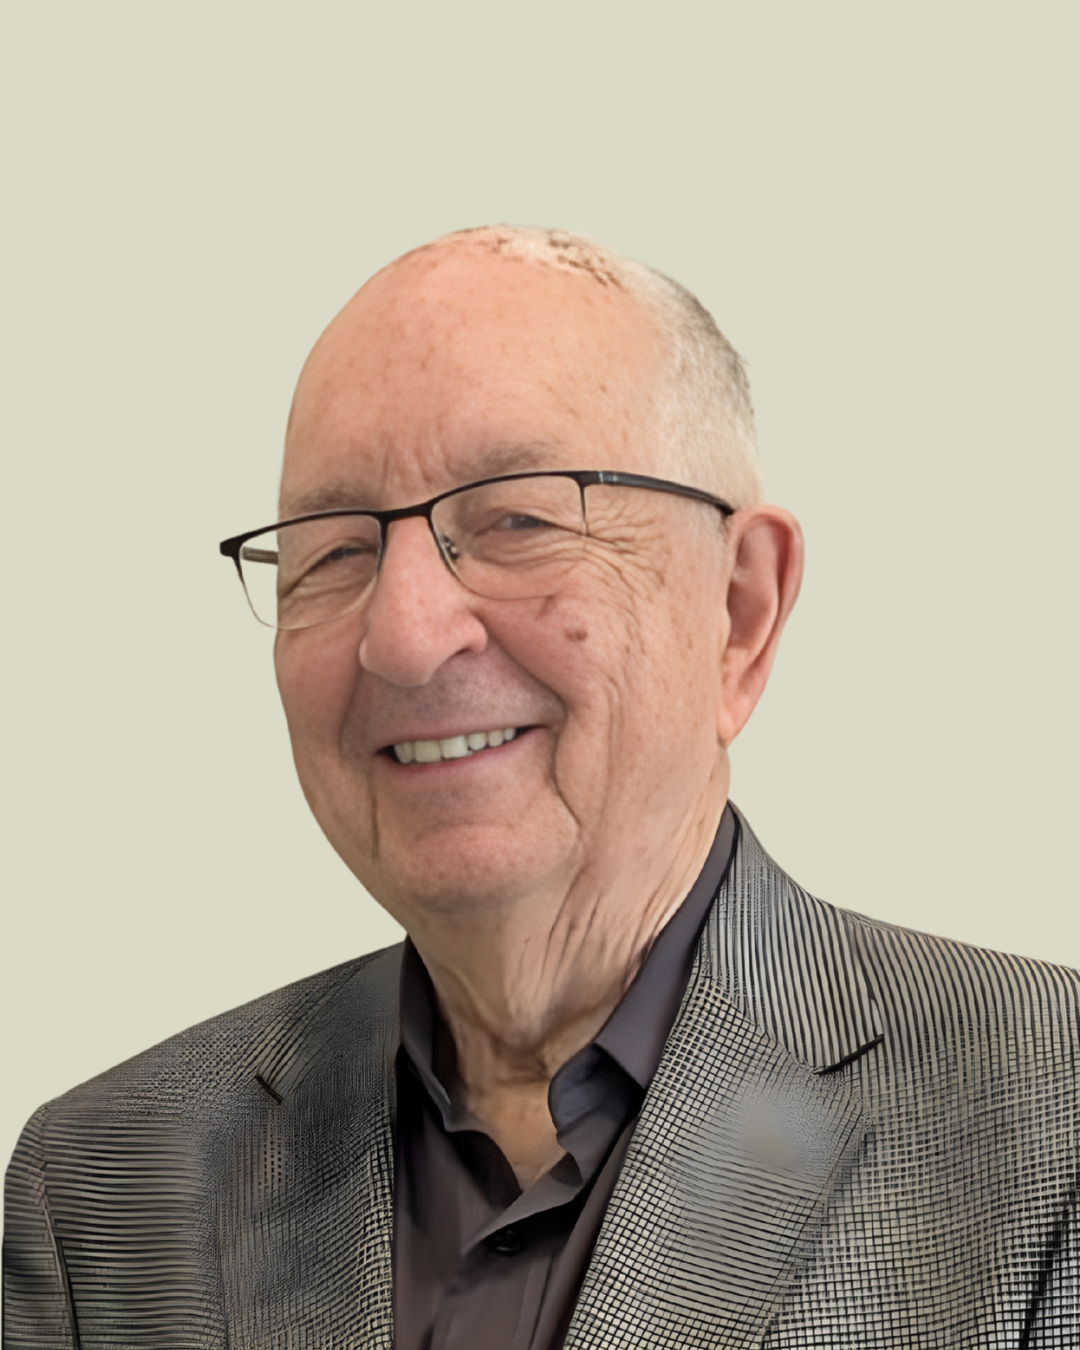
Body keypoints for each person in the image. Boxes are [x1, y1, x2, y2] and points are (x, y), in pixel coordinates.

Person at [4, 226, 1078, 1349]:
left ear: (739, 613)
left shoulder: (1048, 1136)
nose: (404, 637)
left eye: (516, 517)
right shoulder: (103, 1185)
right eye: (332, 550)